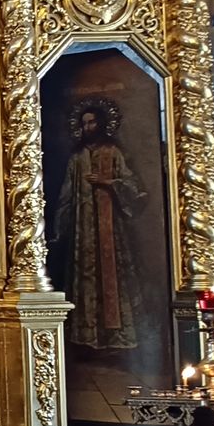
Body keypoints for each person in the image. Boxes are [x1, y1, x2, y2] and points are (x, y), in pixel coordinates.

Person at [52, 105, 144, 351]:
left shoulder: (113, 152)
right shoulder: (77, 158)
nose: (88, 127)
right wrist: (60, 225)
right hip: (83, 229)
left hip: (110, 228)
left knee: (112, 275)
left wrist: (107, 182)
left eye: (92, 122)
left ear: (101, 123)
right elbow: (66, 194)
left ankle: (115, 336)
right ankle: (86, 337)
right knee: (85, 276)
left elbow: (132, 186)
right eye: (84, 124)